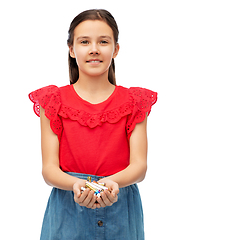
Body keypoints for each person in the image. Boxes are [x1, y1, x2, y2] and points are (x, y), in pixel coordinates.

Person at [29, 9, 157, 240]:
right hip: (67, 209)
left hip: (121, 207)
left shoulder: (135, 101)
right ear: (71, 49)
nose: (94, 49)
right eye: (84, 41)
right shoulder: (53, 101)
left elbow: (139, 166)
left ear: (116, 49)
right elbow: (49, 170)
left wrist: (111, 183)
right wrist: (78, 185)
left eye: (104, 41)